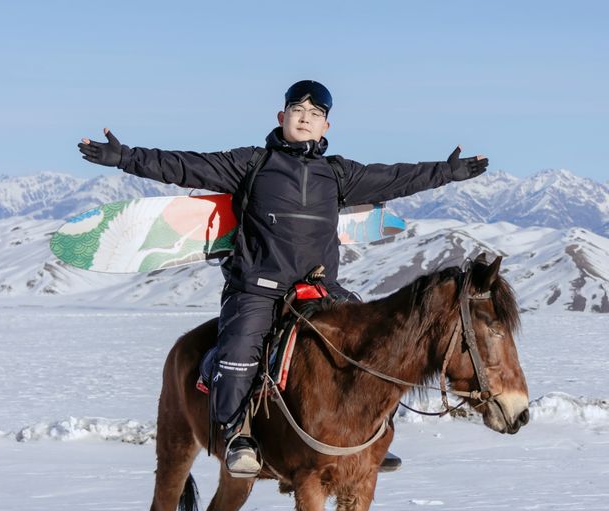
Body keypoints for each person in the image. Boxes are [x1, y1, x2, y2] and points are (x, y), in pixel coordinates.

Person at [79, 80, 488, 478]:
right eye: (298, 110)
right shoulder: (250, 164)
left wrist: (447, 172)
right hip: (258, 288)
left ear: (327, 126)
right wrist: (124, 157)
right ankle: (238, 434)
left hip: (319, 289)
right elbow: (184, 165)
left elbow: (398, 177)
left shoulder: (338, 173)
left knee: (377, 341)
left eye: (315, 113)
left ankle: (371, 436)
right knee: (238, 352)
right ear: (282, 116)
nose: (306, 118)